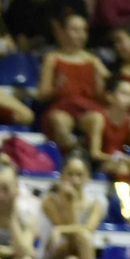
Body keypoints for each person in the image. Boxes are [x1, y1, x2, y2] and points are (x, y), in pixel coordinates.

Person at [37, 13, 109, 154]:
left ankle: (91, 159)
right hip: (63, 108)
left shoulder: (94, 61)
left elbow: (103, 94)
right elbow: (41, 95)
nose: (81, 35)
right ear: (64, 32)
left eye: (84, 30)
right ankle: (71, 155)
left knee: (97, 119)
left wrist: (104, 83)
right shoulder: (52, 58)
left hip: (88, 108)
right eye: (75, 30)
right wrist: (56, 89)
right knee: (58, 121)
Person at [37, 155, 103, 259]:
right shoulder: (50, 201)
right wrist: (70, 201)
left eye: (79, 175)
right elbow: (71, 237)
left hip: (79, 253)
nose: (74, 180)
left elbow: (88, 229)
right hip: (53, 254)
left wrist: (61, 229)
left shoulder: (95, 203)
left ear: (87, 177)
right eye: (70, 174)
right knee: (82, 237)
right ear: (62, 176)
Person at [82, 78, 130, 185]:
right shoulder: (99, 118)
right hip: (101, 163)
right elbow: (95, 153)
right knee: (122, 168)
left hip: (121, 159)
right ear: (110, 97)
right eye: (124, 94)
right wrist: (116, 158)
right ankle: (123, 200)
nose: (129, 99)